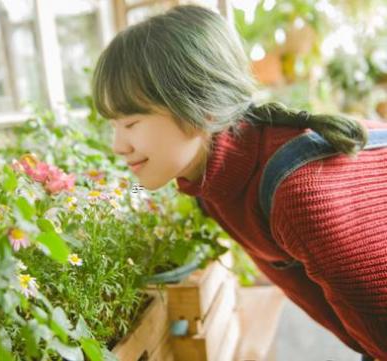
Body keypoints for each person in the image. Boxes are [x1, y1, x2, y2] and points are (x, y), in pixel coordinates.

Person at [91, 4, 387, 361]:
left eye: (131, 123)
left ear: (201, 107)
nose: (117, 146)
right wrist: (105, 199)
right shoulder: (207, 179)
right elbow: (131, 191)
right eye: (113, 125)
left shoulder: (299, 197)